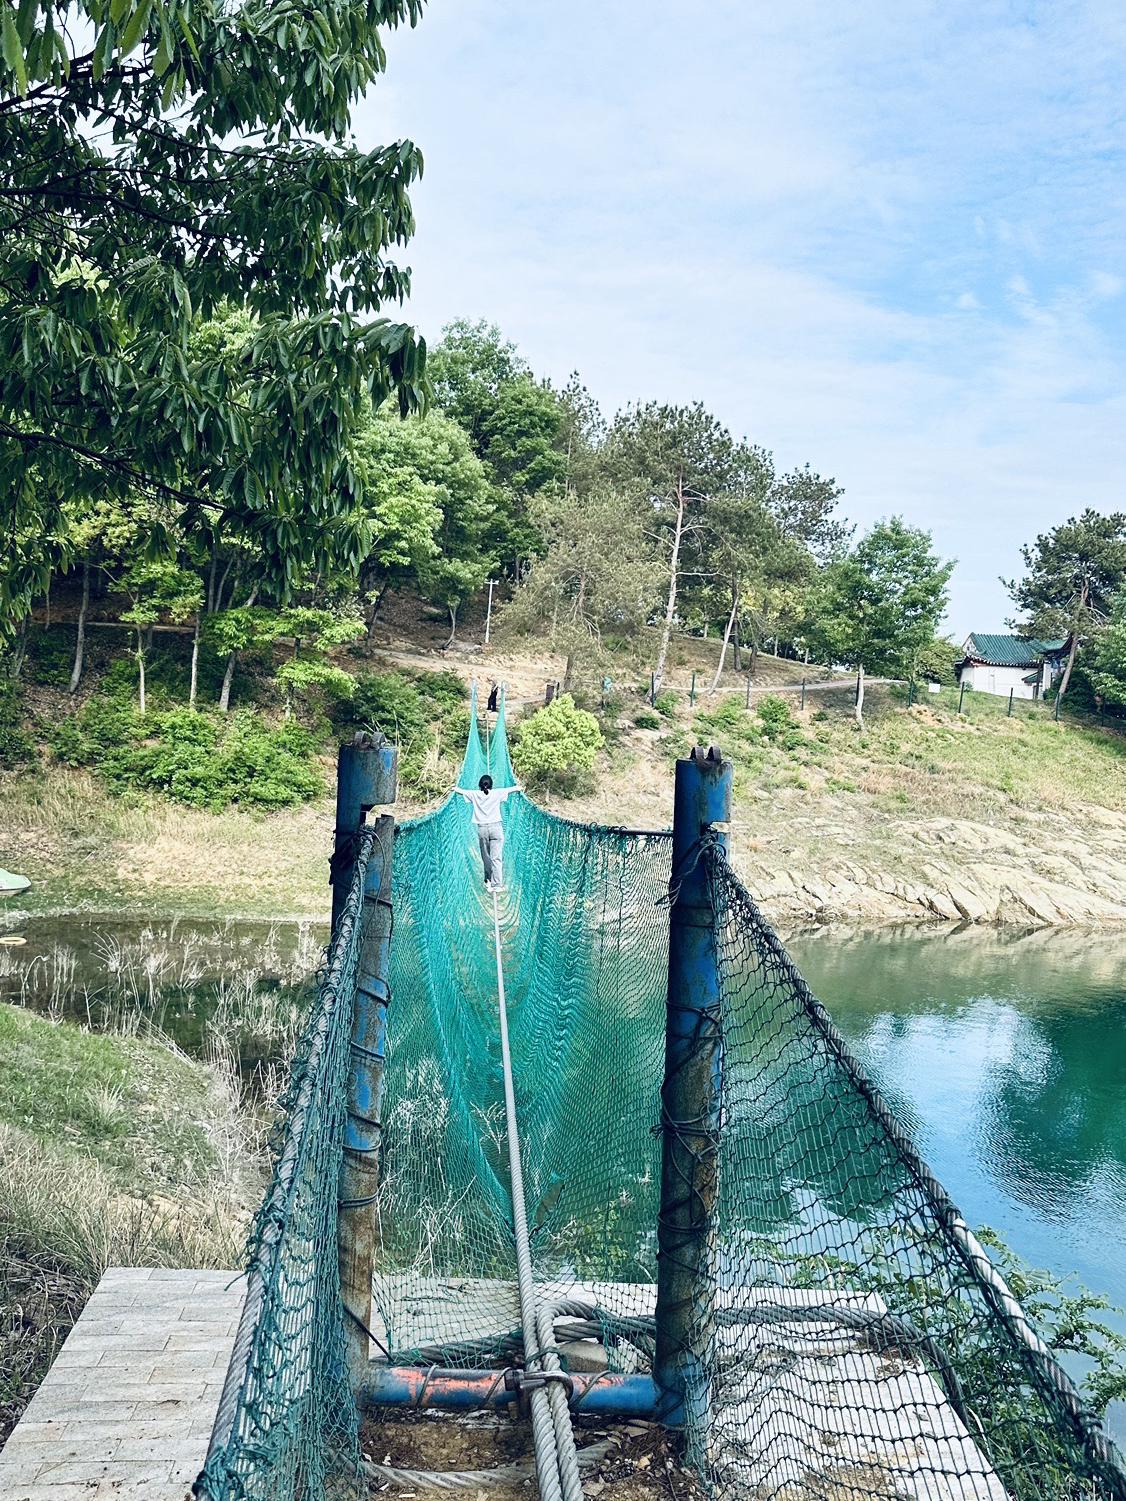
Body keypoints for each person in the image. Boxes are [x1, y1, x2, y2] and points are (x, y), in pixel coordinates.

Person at [455, 774, 518, 891]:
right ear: (491, 785)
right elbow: (510, 790)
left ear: (480, 786)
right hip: (496, 829)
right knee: (496, 858)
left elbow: (462, 792)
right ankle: (497, 885)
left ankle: (488, 880)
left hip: (482, 829)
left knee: (486, 856)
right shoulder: (497, 793)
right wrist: (518, 788)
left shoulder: (475, 794)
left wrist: (454, 788)